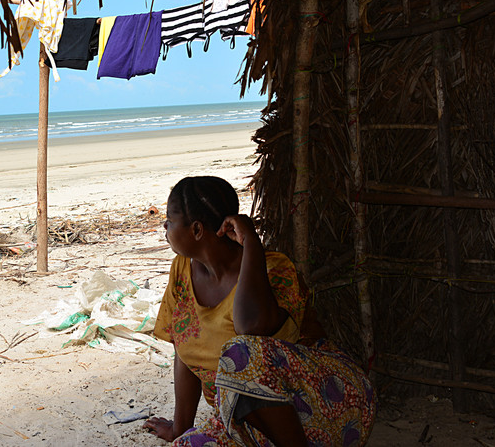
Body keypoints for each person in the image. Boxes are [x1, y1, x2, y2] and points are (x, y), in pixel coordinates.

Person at [144, 176, 375, 446]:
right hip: (249, 423)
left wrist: (252, 244)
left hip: (329, 405)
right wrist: (180, 429)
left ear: (196, 230)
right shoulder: (182, 269)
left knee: (239, 353)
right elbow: (184, 348)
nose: (165, 226)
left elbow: (250, 329)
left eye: (170, 220)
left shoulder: (274, 268)